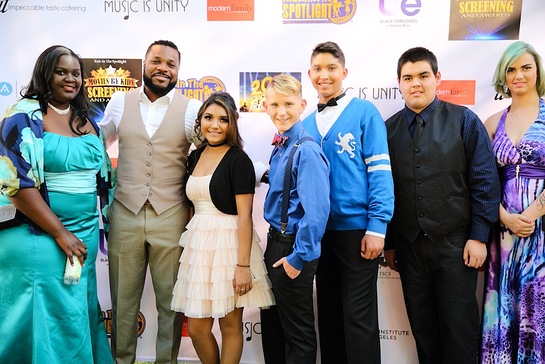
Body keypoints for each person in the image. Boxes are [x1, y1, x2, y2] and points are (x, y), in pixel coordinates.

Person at [383, 46, 501, 364]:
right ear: (399, 82)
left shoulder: (465, 121)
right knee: (423, 331)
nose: (415, 83)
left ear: (437, 78)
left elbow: (486, 183)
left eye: (423, 75)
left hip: (456, 246)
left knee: (459, 330)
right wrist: (391, 243)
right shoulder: (387, 129)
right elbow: (385, 191)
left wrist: (478, 236)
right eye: (408, 77)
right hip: (408, 249)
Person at [0, 45, 114, 363]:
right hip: (40, 233)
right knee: (52, 305)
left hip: (86, 233)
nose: (70, 79)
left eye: (76, 73)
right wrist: (61, 234)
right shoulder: (23, 114)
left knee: (76, 304)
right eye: (61, 71)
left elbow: (102, 177)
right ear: (45, 73)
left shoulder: (87, 118)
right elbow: (15, 185)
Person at [99, 39, 201, 364]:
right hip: (125, 214)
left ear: (178, 71)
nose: (163, 68)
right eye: (157, 61)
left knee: (171, 305)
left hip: (171, 217)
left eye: (171, 64)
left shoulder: (192, 110)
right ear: (144, 64)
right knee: (123, 302)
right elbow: (96, 147)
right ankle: (121, 360)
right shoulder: (119, 102)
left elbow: (214, 154)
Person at [302, 41, 395, 364]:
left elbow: (381, 172)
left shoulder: (364, 112)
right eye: (317, 69)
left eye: (331, 68)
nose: (324, 75)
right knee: (328, 314)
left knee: (358, 318)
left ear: (344, 72)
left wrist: (377, 227)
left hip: (357, 231)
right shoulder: (304, 122)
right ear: (310, 74)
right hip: (317, 235)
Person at [170, 91, 275, 364]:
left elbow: (244, 216)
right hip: (199, 245)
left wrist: (243, 266)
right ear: (200, 121)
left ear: (232, 124)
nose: (214, 125)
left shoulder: (239, 160)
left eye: (223, 119)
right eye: (208, 118)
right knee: (197, 328)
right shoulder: (195, 156)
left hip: (230, 245)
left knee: (230, 325)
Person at [480, 41, 545, 363]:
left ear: (537, 72)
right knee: (505, 302)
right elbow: (483, 183)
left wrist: (531, 214)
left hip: (541, 230)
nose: (519, 75)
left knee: (538, 302)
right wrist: (504, 217)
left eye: (526, 67)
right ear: (503, 76)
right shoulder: (492, 123)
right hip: (503, 232)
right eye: (511, 69)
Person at [260, 74, 330, 364]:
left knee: (298, 337)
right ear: (266, 106)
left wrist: (298, 257)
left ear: (302, 105)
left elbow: (316, 214)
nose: (281, 111)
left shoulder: (307, 150)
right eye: (275, 104)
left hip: (293, 249)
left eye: (288, 104)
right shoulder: (281, 145)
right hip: (275, 243)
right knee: (274, 331)